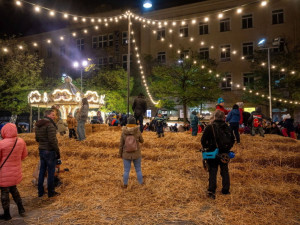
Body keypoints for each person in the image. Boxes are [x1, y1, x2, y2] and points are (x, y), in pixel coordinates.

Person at [201, 110, 234, 199]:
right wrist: (227, 149)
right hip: (224, 154)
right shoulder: (227, 127)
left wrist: (207, 148)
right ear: (224, 118)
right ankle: (225, 190)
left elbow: (203, 140)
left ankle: (212, 191)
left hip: (212, 153)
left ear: (214, 117)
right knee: (225, 171)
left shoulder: (210, 127)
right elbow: (232, 140)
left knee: (213, 172)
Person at [0, 123, 28, 221]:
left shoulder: (1, 143)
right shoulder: (21, 141)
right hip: (16, 171)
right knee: (14, 189)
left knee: (4, 192)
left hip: (3, 173)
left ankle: (7, 214)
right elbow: (24, 156)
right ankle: (21, 209)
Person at [35, 109, 61, 198]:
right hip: (49, 151)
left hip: (41, 149)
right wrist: (57, 151)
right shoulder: (50, 125)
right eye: (53, 115)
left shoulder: (38, 125)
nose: (54, 117)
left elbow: (37, 139)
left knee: (42, 171)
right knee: (50, 172)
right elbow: (52, 140)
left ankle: (40, 192)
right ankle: (51, 192)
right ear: (48, 115)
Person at [119, 116, 144, 188]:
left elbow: (121, 144)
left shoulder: (124, 132)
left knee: (126, 170)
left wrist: (120, 154)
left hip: (126, 154)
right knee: (138, 169)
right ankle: (141, 183)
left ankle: (125, 184)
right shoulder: (137, 131)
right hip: (136, 154)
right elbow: (142, 141)